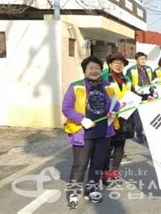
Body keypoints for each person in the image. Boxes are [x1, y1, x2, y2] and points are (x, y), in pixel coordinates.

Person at [62, 56, 119, 209]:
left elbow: (116, 105)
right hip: (83, 133)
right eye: (91, 68)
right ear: (85, 71)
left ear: (101, 70)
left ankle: (91, 189)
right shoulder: (76, 86)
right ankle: (74, 193)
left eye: (97, 68)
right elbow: (67, 108)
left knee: (98, 164)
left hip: (103, 133)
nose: (94, 71)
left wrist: (113, 113)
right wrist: (81, 119)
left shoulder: (108, 86)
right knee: (80, 165)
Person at [102, 52, 134, 186]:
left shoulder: (126, 79)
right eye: (116, 63)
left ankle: (114, 174)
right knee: (107, 147)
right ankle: (104, 175)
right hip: (109, 117)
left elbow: (133, 94)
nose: (118, 65)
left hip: (125, 117)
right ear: (109, 64)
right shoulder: (104, 78)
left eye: (121, 63)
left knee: (120, 146)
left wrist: (145, 96)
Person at [125, 52, 154, 143]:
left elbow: (152, 80)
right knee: (138, 116)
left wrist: (153, 88)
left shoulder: (149, 69)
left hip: (148, 94)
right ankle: (139, 133)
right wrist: (135, 88)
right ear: (136, 60)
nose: (143, 61)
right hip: (136, 95)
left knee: (148, 115)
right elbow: (128, 83)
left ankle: (148, 133)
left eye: (144, 59)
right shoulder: (131, 70)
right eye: (141, 59)